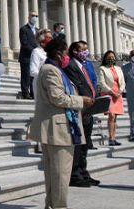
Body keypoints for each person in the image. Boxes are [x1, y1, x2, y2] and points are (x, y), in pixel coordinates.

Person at [28, 38, 94, 209]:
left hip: (60, 126)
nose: (67, 57)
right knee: (60, 173)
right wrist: (81, 101)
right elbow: (57, 97)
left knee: (56, 173)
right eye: (65, 53)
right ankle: (59, 206)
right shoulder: (50, 70)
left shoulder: (56, 70)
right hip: (58, 129)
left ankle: (52, 204)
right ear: (58, 53)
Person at [64, 41, 100, 187]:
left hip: (89, 108)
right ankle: (75, 174)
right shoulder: (71, 66)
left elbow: (90, 83)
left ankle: (83, 172)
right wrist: (88, 102)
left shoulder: (84, 66)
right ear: (74, 51)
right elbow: (79, 86)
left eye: (86, 49)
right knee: (79, 145)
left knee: (85, 145)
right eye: (82, 49)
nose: (86, 52)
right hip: (82, 107)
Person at [97, 50, 125, 146]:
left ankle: (114, 137)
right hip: (109, 93)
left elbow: (122, 82)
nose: (111, 59)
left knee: (115, 117)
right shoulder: (102, 69)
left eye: (112, 57)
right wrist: (112, 92)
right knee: (111, 115)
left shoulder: (118, 68)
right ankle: (110, 138)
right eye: (109, 57)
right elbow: (102, 83)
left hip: (118, 94)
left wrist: (120, 92)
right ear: (105, 58)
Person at [19, 11, 39, 99]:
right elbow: (24, 43)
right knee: (26, 76)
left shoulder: (38, 30)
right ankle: (25, 93)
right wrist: (35, 51)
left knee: (33, 76)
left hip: (35, 58)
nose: (35, 17)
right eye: (33, 15)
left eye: (36, 16)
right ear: (29, 17)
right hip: (26, 56)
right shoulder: (23, 29)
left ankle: (33, 93)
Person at [29, 29, 51, 100]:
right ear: (42, 39)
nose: (51, 40)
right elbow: (33, 71)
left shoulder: (51, 53)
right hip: (40, 84)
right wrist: (46, 77)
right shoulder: (36, 51)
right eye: (48, 38)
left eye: (51, 38)